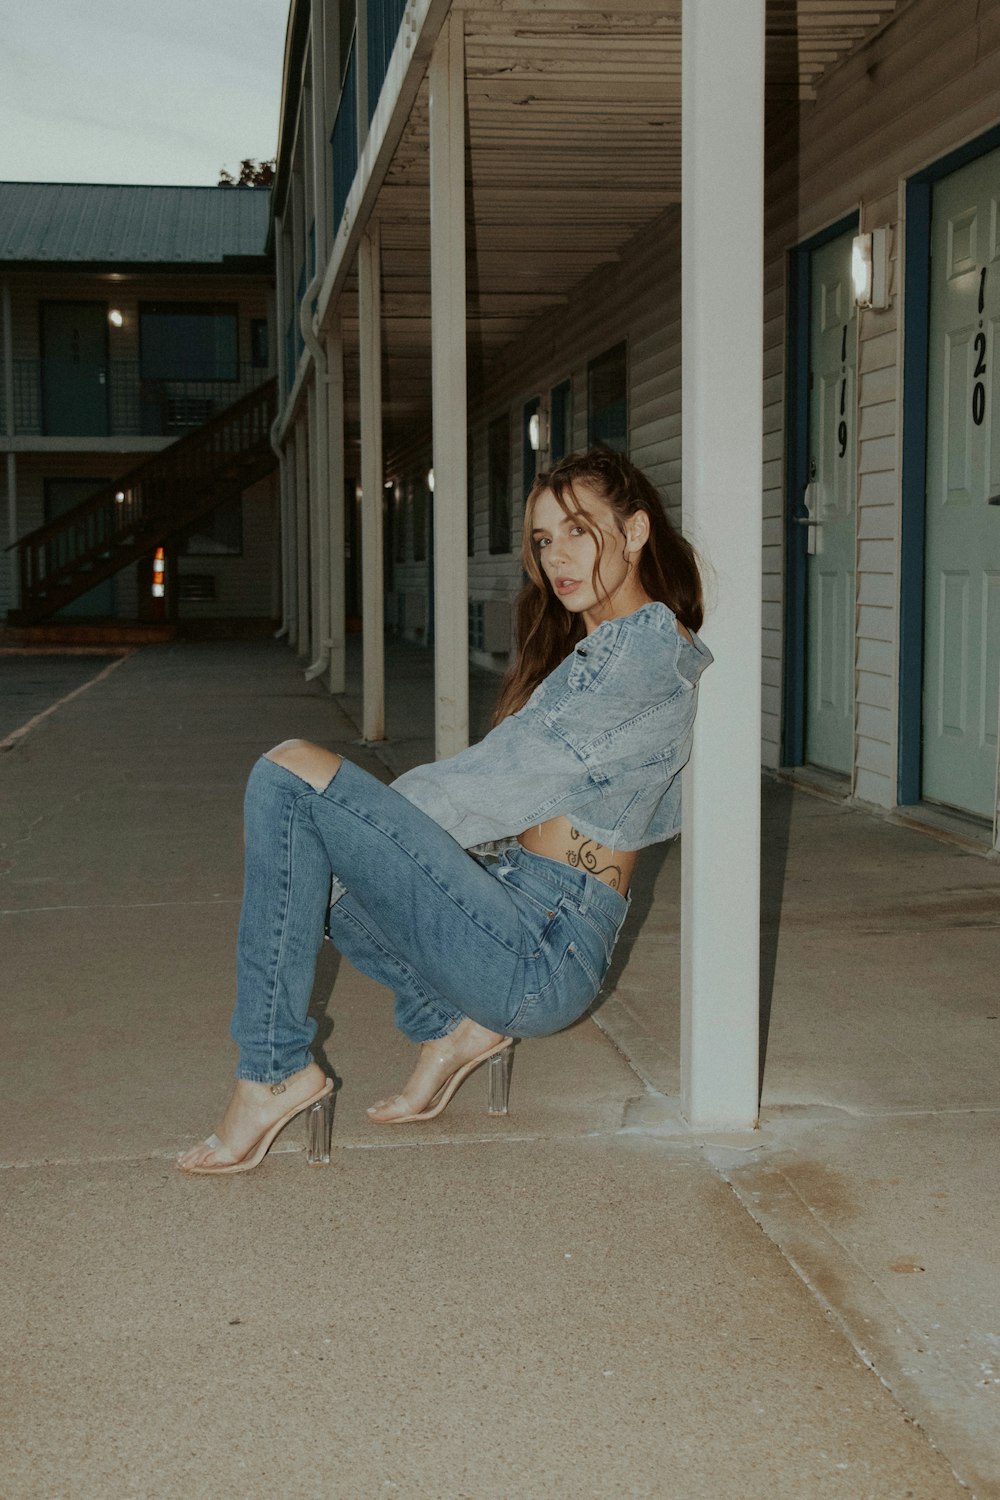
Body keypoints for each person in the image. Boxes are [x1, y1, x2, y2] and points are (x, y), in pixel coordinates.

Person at [177, 447, 712, 1175]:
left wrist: (350, 846)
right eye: (544, 540)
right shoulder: (608, 645)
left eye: (579, 531)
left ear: (637, 530)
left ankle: (271, 1071)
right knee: (309, 846)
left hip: (543, 948)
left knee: (289, 775)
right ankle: (448, 1024)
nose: (557, 557)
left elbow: (479, 788)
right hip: (519, 909)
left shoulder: (636, 658)